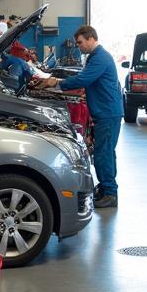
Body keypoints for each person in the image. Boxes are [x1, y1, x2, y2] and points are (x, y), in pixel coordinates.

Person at [41, 25, 122, 208]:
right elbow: (87, 78)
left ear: (91, 38)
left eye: (80, 43)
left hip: (107, 114)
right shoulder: (95, 57)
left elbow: (83, 79)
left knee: (103, 154)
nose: (78, 47)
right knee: (106, 152)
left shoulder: (100, 57)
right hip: (106, 112)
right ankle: (106, 188)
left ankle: (110, 194)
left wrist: (57, 83)